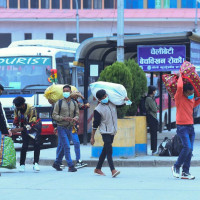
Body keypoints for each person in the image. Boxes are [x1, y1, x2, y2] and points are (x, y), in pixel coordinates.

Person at [90, 89, 128, 178]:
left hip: (113, 130)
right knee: (109, 150)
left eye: (105, 95)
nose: (105, 97)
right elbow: (95, 124)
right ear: (99, 99)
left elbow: (121, 105)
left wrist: (125, 100)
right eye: (103, 97)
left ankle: (98, 168)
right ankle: (113, 170)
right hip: (105, 132)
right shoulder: (98, 110)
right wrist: (92, 137)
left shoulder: (112, 103)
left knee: (105, 150)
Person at [171, 74, 200, 180]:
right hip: (182, 127)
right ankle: (176, 166)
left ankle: (185, 172)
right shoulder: (179, 97)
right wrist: (180, 76)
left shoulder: (191, 99)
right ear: (185, 92)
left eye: (193, 93)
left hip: (191, 127)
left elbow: (195, 103)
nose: (192, 95)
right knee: (187, 147)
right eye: (190, 93)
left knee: (190, 150)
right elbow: (179, 87)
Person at [52, 85, 79, 172]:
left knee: (64, 146)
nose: (65, 93)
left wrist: (75, 118)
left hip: (70, 127)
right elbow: (54, 115)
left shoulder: (74, 103)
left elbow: (77, 114)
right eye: (64, 91)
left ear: (70, 92)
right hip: (61, 127)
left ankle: (57, 163)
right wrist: (63, 118)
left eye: (67, 91)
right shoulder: (59, 103)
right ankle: (70, 165)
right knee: (67, 146)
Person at [13, 96, 41, 172]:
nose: (17, 108)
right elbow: (16, 119)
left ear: (23, 105)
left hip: (35, 126)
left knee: (36, 144)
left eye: (18, 106)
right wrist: (13, 128)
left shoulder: (31, 109)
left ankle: (36, 163)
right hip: (24, 125)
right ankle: (22, 164)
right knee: (24, 145)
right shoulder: (16, 109)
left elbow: (32, 123)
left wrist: (19, 129)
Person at [145, 85, 158, 155]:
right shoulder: (149, 99)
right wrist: (156, 107)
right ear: (152, 91)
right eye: (155, 90)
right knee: (153, 134)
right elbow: (155, 109)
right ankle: (154, 149)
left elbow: (157, 107)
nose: (155, 91)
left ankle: (154, 149)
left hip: (154, 117)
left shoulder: (152, 98)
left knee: (154, 134)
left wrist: (156, 107)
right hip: (151, 117)